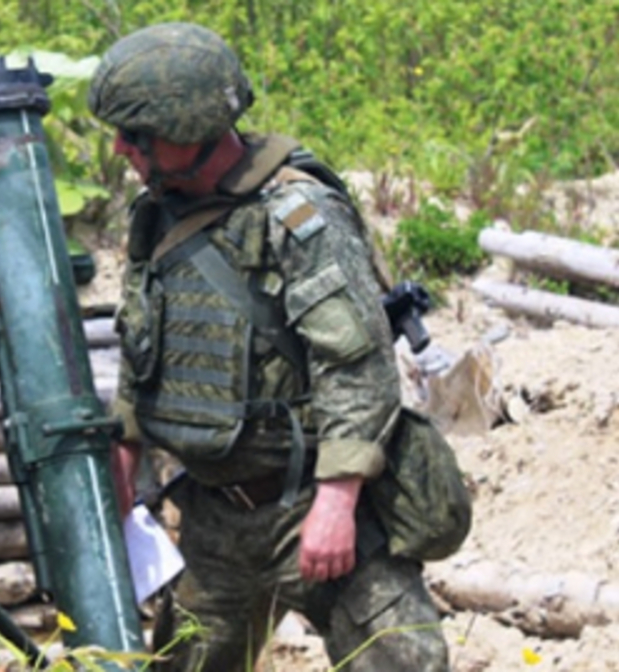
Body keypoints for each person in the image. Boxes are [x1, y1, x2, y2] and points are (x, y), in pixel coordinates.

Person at [88, 23, 450, 671]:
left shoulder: (298, 217)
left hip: (312, 502)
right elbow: (140, 353)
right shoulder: (156, 216)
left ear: (188, 127)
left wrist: (337, 503)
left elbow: (356, 365)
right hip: (212, 517)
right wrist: (121, 464)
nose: (120, 147)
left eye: (135, 134)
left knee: (404, 662)